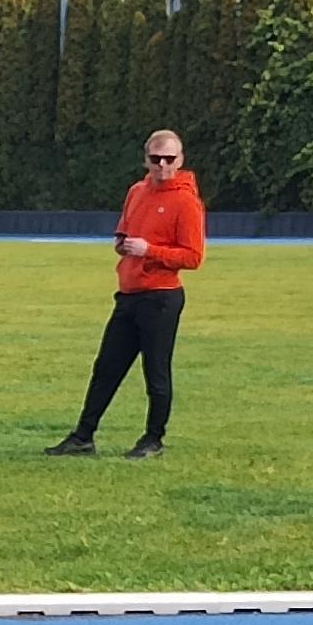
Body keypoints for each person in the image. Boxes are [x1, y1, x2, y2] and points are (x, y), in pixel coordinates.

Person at [50, 127, 206, 461]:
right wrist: (123, 244)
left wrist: (150, 250)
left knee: (156, 371)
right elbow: (124, 231)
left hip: (161, 296)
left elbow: (193, 257)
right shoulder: (136, 191)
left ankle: (153, 439)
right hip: (129, 294)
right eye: (156, 158)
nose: (162, 165)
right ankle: (83, 436)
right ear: (146, 159)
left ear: (180, 160)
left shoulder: (186, 202)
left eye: (169, 159)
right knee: (106, 367)